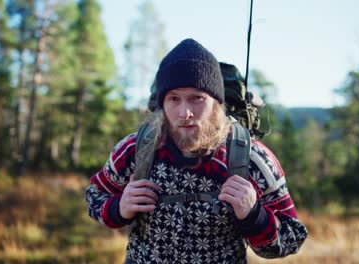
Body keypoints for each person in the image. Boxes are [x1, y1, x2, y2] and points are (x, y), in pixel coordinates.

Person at [85, 38, 307, 264]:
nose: (185, 112)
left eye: (197, 98)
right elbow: (95, 197)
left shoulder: (252, 159)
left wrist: (254, 215)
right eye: (174, 99)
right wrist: (118, 207)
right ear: (162, 103)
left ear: (216, 103)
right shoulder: (136, 149)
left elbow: (292, 238)